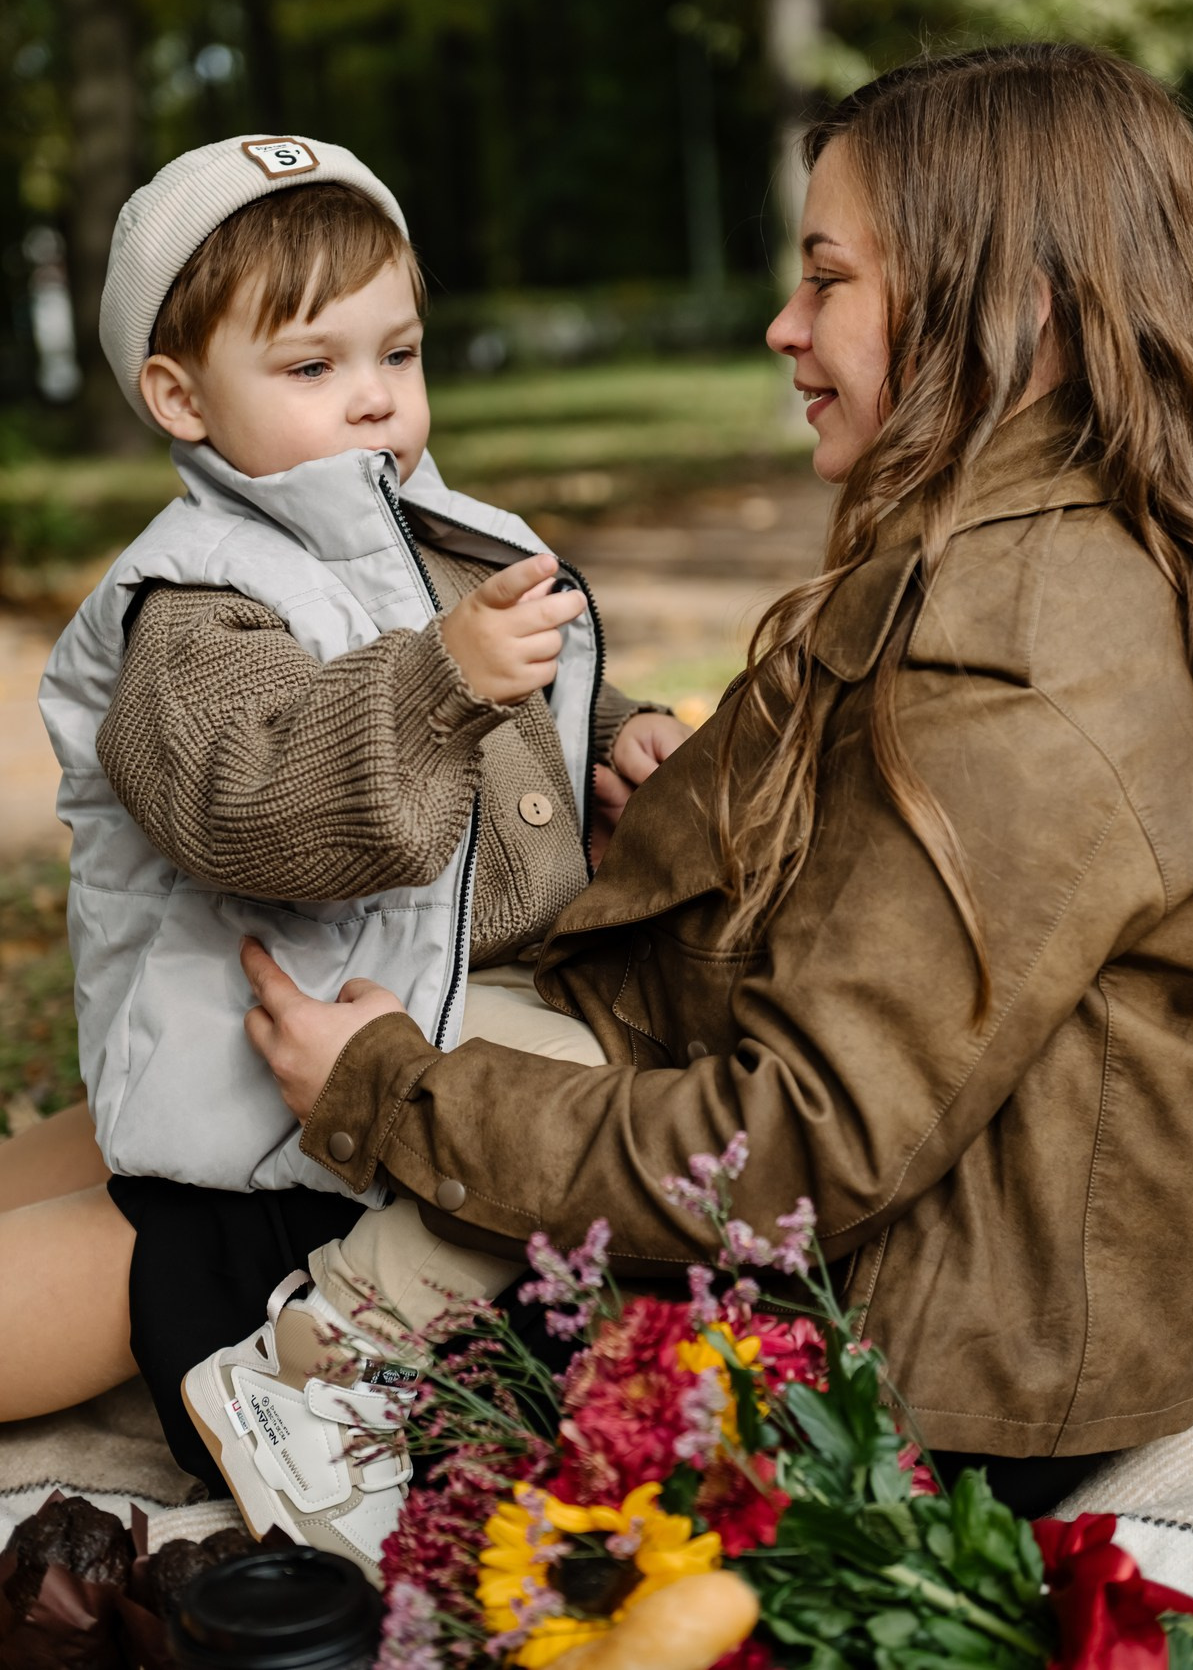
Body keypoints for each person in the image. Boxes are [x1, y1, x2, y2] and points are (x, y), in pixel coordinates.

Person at [217, 42, 1193, 1543]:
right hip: (940, 1265)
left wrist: (394, 1096)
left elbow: (798, 1143)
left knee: (203, 1189)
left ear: (1018, 305)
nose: (783, 326)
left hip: (924, 1377)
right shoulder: (1025, 547)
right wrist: (709, 815)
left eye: (829, 281)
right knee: (180, 1108)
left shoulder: (1029, 646)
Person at [5, 136, 688, 1541]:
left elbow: (526, 692)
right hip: (269, 1097)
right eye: (313, 367)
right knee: (116, 1275)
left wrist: (608, 734)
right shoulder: (192, 607)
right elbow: (245, 808)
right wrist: (444, 677)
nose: (376, 398)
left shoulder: (437, 538)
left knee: (561, 1079)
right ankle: (308, 1374)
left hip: (413, 1028)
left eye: (400, 351)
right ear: (180, 398)